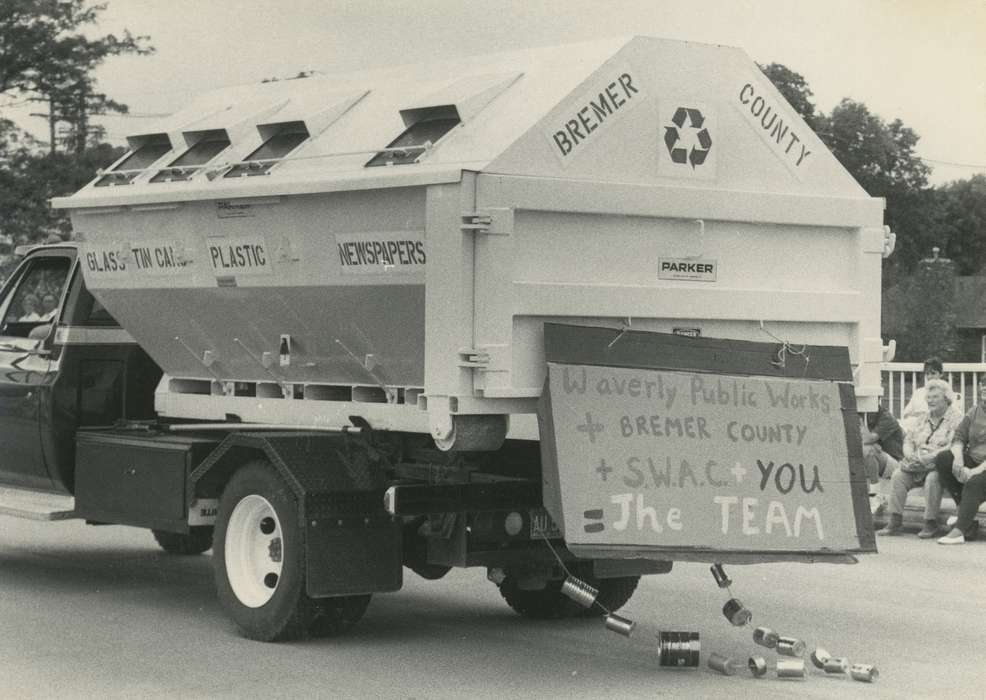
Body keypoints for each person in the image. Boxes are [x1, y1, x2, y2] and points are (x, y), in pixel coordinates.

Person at [877, 379, 961, 537]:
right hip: (916, 465)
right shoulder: (922, 418)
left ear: (946, 398)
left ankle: (930, 522)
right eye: (928, 397)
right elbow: (908, 439)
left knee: (932, 479)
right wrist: (909, 454)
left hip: (939, 466)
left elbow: (953, 445)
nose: (930, 401)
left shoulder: (956, 419)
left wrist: (928, 457)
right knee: (898, 476)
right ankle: (895, 520)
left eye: (935, 397)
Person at [935, 379, 986, 544]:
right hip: (974, 460)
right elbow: (959, 437)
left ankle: (959, 531)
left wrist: (974, 471)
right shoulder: (975, 411)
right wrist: (958, 460)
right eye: (983, 384)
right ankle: (965, 515)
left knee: (974, 482)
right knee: (943, 459)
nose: (984, 388)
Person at [861, 402, 904, 514]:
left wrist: (859, 422)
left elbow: (868, 439)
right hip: (880, 460)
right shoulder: (862, 414)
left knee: (868, 450)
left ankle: (875, 496)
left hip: (896, 463)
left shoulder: (886, 418)